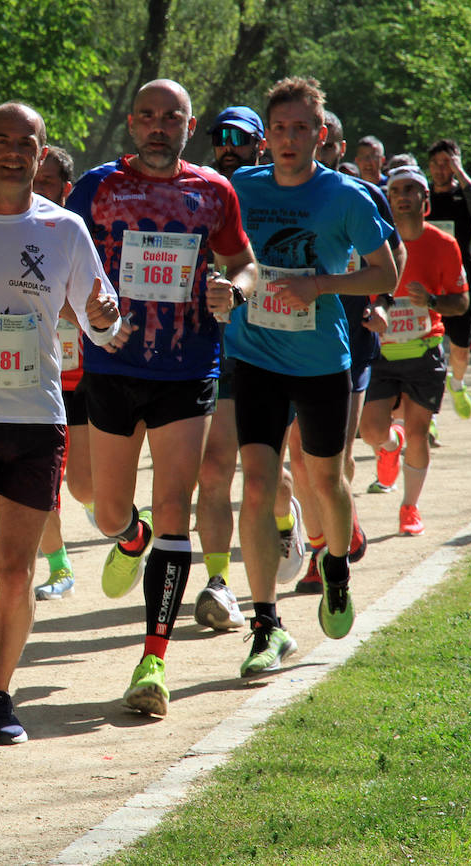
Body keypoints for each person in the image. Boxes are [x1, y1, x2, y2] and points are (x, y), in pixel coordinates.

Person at [0, 103, 119, 743]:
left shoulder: (66, 229)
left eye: (26, 143)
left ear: (42, 153)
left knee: (16, 570)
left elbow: (101, 326)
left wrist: (104, 313)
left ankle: (3, 695)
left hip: (37, 414)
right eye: (1, 141)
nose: (13, 152)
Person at [67, 80, 258, 715]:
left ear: (188, 124)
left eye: (170, 117)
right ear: (131, 122)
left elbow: (245, 263)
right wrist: (86, 307)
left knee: (176, 504)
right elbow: (68, 265)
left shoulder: (213, 190)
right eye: (147, 116)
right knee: (106, 507)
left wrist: (235, 288)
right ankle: (129, 537)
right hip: (113, 362)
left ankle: (153, 660)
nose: (157, 126)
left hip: (188, 365)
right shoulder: (96, 187)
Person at [225, 77, 397, 678]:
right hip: (256, 357)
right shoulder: (240, 189)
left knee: (326, 481)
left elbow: (388, 274)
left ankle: (336, 570)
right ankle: (266, 625)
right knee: (257, 485)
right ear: (265, 137)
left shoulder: (345, 196)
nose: (290, 139)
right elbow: (213, 247)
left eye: (302, 129)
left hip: (323, 361)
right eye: (280, 129)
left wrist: (320, 284)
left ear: (321, 136)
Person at [195, 105, 306, 630]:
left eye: (241, 136)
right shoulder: (198, 190)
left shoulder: (274, 190)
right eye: (221, 136)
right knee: (215, 469)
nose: (229, 144)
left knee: (268, 476)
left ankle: (285, 520)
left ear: (261, 143)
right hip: (214, 349)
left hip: (269, 349)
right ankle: (218, 583)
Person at [287, 108, 406, 593]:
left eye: (333, 145)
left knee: (332, 454)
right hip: (290, 336)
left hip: (351, 338)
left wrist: (383, 303)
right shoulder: (284, 193)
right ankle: (328, 538)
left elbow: (394, 253)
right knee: (298, 455)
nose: (327, 153)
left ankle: (333, 535)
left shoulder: (363, 194)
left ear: (334, 146)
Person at [359, 166, 469, 536]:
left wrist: (434, 299)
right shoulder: (373, 243)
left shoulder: (443, 244)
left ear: (425, 200)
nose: (402, 196)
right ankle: (390, 447)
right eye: (396, 191)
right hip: (382, 352)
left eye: (411, 190)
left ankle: (410, 507)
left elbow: (462, 303)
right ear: (388, 201)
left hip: (424, 351)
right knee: (372, 430)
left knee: (420, 431)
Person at [29, 145, 96, 602]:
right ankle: (59, 567)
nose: (35, 190)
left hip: (84, 379)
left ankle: (112, 511)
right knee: (44, 481)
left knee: (83, 485)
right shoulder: (3, 232)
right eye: (32, 180)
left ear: (65, 189)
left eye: (46, 183)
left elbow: (104, 306)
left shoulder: (76, 233)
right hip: (32, 378)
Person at [425, 139, 471, 418]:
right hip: (426, 281)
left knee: (459, 350)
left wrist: (461, 173)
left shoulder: (465, 197)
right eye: (437, 163)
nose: (442, 169)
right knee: (428, 350)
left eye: (447, 163)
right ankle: (429, 415)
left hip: (458, 284)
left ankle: (458, 384)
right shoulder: (422, 196)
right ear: (429, 166)